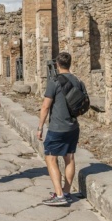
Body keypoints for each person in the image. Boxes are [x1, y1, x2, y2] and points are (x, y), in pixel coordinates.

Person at [37, 52, 85, 206]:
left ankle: (59, 195)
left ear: (57, 64)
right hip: (73, 127)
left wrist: (40, 127)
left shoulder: (54, 81)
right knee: (69, 158)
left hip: (57, 127)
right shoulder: (78, 81)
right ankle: (66, 192)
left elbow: (45, 106)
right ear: (70, 63)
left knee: (50, 158)